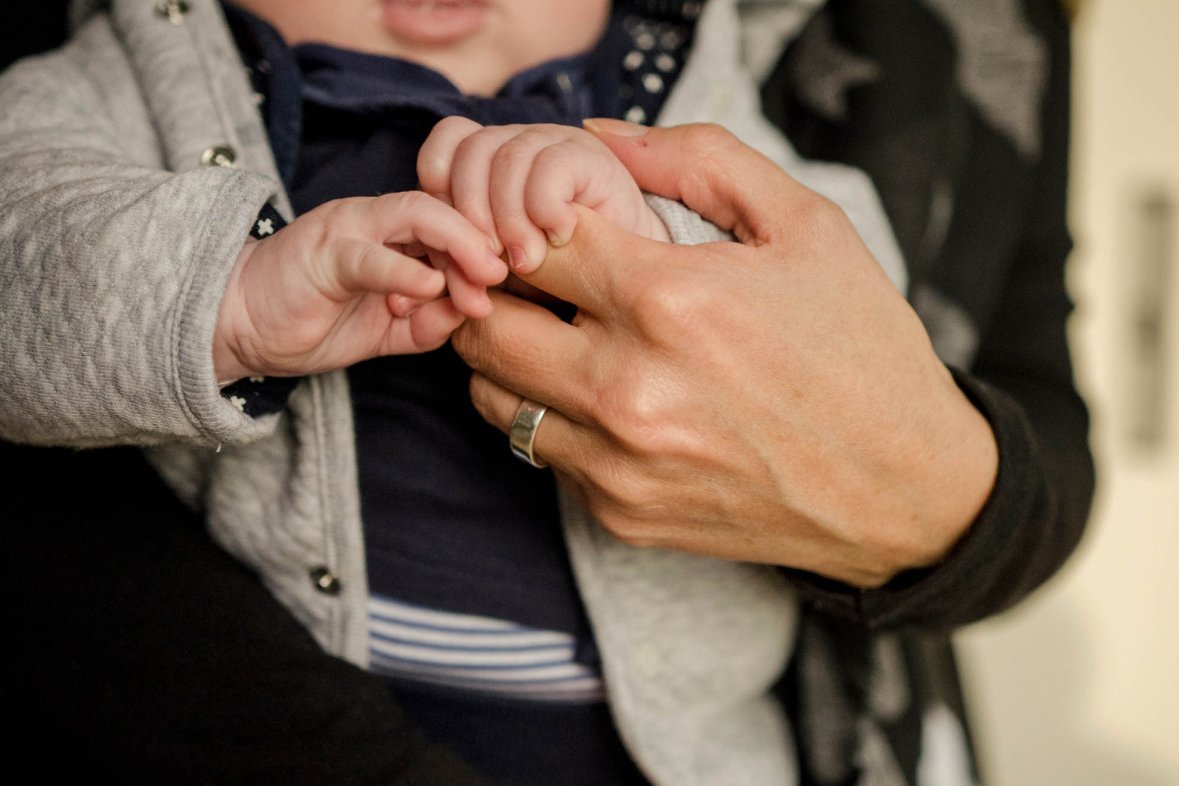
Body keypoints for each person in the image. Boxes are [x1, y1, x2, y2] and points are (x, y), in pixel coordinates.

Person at [0, 1, 1095, 784]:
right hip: (275, 710)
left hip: (683, 749)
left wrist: (650, 228)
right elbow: (20, 247)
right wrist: (224, 291)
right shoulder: (142, 62)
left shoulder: (673, 74)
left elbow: (848, 298)